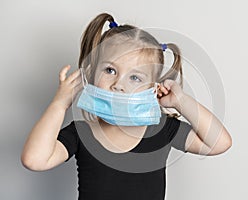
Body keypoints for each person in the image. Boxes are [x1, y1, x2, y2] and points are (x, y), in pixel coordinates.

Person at [21, 13, 232, 200]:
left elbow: (219, 143)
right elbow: (34, 160)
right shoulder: (81, 132)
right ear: (92, 73)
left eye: (135, 77)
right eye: (110, 70)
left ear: (153, 88)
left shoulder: (162, 129)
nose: (118, 85)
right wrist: (60, 104)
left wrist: (181, 101)